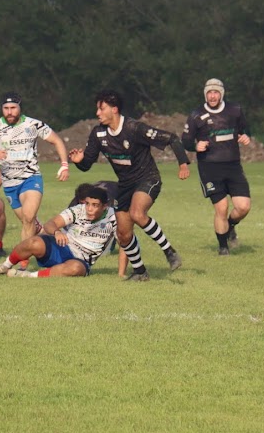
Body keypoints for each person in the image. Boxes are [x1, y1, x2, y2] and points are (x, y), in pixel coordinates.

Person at [69, 90, 190, 281]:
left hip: (147, 178)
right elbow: (86, 165)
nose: (97, 113)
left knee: (137, 213)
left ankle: (169, 252)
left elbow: (172, 138)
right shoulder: (98, 133)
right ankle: (140, 272)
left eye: (101, 109)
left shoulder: (134, 128)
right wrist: (78, 160)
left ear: (114, 109)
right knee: (123, 234)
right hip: (125, 185)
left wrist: (183, 163)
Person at [0, 92, 69, 256]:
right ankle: (56, 245)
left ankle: (22, 262)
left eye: (13, 108)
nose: (9, 112)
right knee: (30, 224)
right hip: (10, 184)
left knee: (28, 217)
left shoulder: (33, 124)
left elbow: (57, 140)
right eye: (6, 108)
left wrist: (64, 164)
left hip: (30, 178)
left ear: (19, 108)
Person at [182, 78, 251, 256]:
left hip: (233, 166)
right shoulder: (197, 114)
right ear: (206, 94)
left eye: (216, 92)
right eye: (209, 93)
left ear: (221, 93)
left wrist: (246, 137)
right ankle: (223, 248)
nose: (212, 96)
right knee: (221, 208)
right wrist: (194, 146)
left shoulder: (235, 110)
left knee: (243, 207)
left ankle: (231, 226)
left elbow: (246, 130)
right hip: (210, 168)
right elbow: (186, 140)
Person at [0, 185, 116, 278]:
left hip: (81, 260)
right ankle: (5, 266)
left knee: (75, 269)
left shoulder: (114, 217)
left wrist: (123, 272)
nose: (89, 209)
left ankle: (30, 276)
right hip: (63, 248)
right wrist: (57, 232)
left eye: (95, 205)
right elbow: (50, 224)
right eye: (87, 204)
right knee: (33, 242)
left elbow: (127, 240)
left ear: (105, 206)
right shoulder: (78, 210)